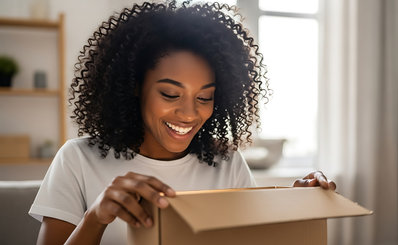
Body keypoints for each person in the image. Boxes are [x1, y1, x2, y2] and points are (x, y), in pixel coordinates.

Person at [29, 1, 336, 244]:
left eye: (204, 98)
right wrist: (95, 217)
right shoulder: (78, 159)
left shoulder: (226, 163)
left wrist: (297, 208)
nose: (189, 114)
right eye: (170, 93)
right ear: (135, 86)